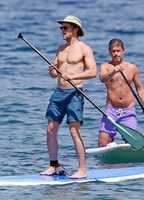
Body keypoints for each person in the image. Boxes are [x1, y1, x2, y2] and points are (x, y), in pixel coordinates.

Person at [40, 15, 97, 178]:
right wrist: (52, 70)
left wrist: (72, 76)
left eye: (65, 28)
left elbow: (93, 72)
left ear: (75, 29)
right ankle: (54, 165)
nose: (62, 31)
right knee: (50, 129)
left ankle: (82, 170)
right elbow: (53, 74)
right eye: (61, 28)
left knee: (74, 130)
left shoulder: (84, 48)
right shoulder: (60, 49)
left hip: (75, 93)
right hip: (58, 92)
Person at [98, 38, 144, 147]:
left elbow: (140, 89)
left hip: (128, 111)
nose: (116, 54)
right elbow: (102, 79)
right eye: (113, 51)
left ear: (123, 51)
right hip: (111, 110)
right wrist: (114, 71)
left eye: (118, 51)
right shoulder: (105, 66)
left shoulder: (132, 68)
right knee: (102, 143)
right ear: (110, 52)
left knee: (132, 144)